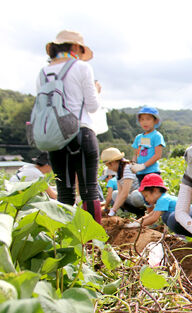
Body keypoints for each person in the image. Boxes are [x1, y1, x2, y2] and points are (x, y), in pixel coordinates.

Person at [39, 30, 102, 223]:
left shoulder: (44, 72)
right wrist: (97, 91)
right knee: (89, 189)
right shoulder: (81, 67)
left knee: (64, 192)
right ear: (75, 47)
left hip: (55, 136)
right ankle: (93, 245)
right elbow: (93, 106)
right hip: (80, 131)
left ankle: (67, 244)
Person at [100, 147, 146, 217]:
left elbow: (125, 193)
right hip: (131, 197)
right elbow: (120, 192)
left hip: (142, 197)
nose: (109, 168)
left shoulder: (127, 168)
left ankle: (144, 212)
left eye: (108, 165)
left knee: (135, 195)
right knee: (115, 194)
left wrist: (113, 211)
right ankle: (138, 214)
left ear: (113, 162)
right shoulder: (118, 171)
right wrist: (113, 210)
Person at [130, 106, 166, 182]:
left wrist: (144, 165)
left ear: (155, 121)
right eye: (142, 119)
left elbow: (157, 155)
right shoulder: (138, 137)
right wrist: (133, 163)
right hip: (140, 172)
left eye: (148, 119)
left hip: (152, 171)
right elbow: (136, 154)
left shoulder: (157, 136)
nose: (145, 122)